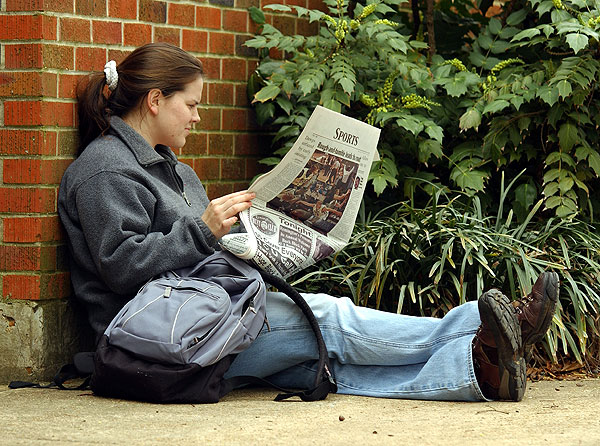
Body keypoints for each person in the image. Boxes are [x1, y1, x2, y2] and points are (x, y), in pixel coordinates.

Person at [58, 43, 560, 402]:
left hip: (206, 322)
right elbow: (123, 269)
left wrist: (254, 241)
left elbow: (194, 258)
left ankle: (480, 370)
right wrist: (205, 230)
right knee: (330, 320)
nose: (196, 118)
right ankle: (487, 326)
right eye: (190, 105)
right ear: (154, 100)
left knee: (322, 363)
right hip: (156, 347)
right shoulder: (105, 170)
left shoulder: (178, 170)